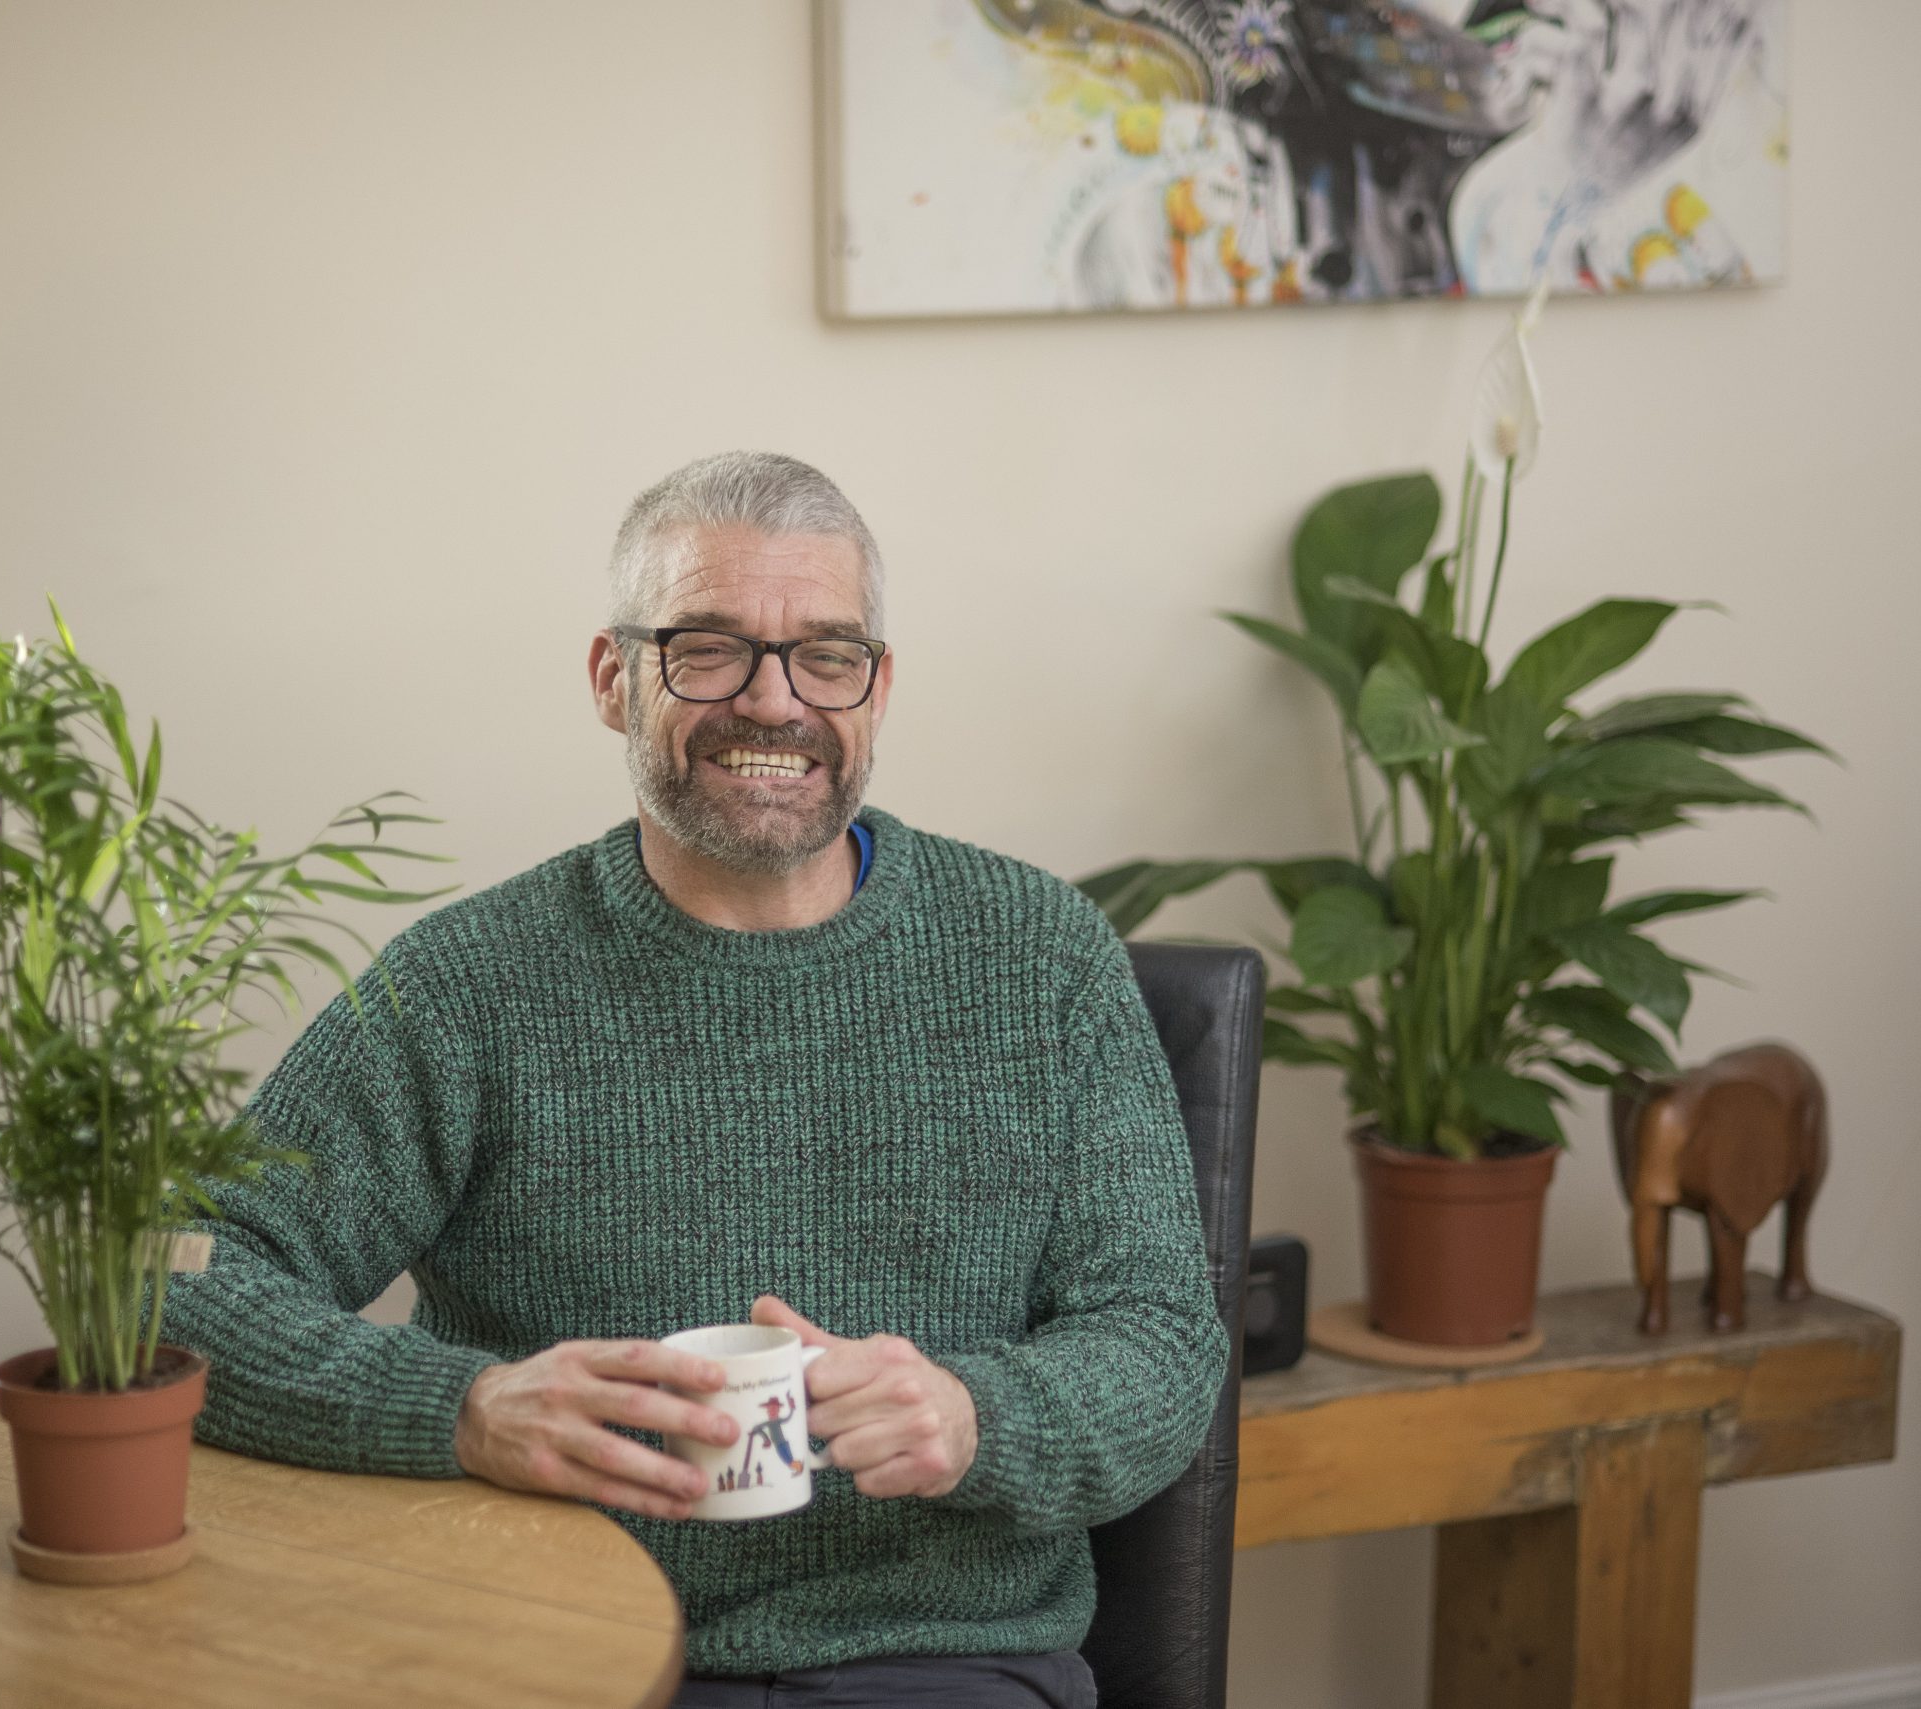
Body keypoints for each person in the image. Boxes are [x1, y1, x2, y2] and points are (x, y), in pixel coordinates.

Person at [161, 450, 1224, 1708]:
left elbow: (1163, 1343)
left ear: (876, 690)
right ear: (615, 680)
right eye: (707, 648)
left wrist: (974, 1414)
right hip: (548, 1646)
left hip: (934, 1659)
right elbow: (168, 1278)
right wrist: (464, 1407)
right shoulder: (466, 984)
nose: (772, 702)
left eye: (825, 654)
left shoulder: (1041, 956)